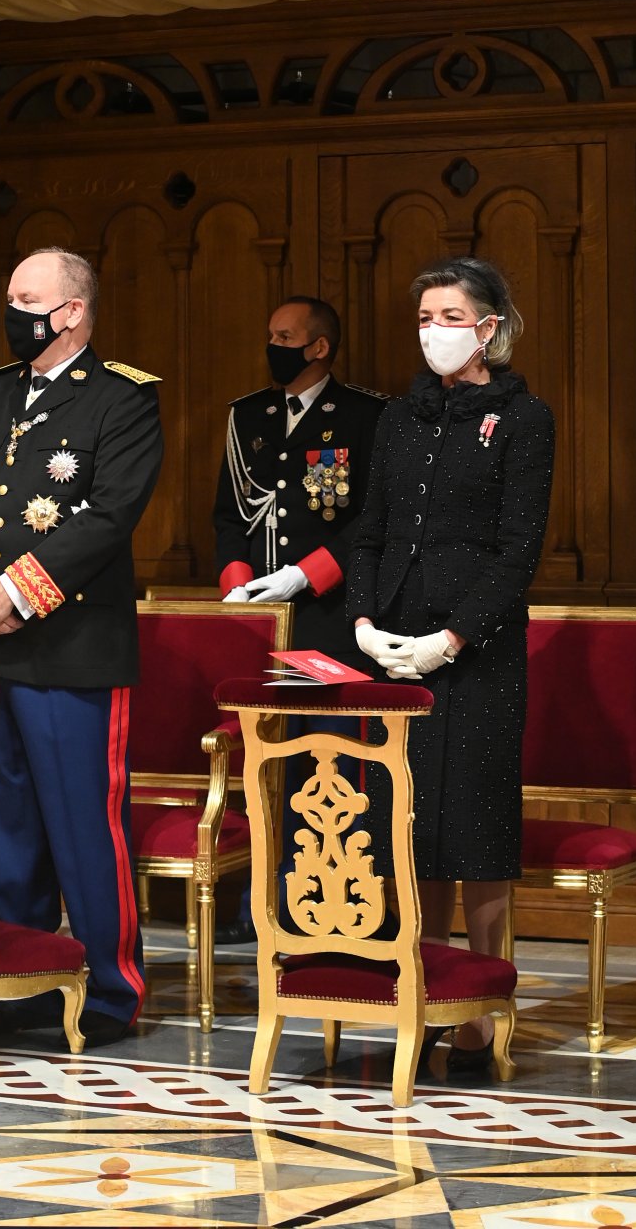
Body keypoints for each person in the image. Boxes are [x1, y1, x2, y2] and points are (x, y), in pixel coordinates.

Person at [0, 246, 162, 1049]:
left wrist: (15, 595)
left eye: (28, 299)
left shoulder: (121, 399)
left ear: (72, 311)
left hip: (72, 648)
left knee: (83, 826)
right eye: (11, 297)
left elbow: (110, 516)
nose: (14, 312)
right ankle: (21, 979)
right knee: (5, 829)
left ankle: (111, 991)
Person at [346, 257, 554, 1071]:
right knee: (415, 826)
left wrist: (454, 638)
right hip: (397, 646)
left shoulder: (525, 418)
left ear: (489, 327)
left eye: (450, 317)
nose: (433, 331)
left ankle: (482, 1009)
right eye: (425, 317)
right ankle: (427, 990)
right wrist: (365, 623)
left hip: (477, 653)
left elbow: (518, 552)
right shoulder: (400, 418)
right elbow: (370, 531)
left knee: (475, 827)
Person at [213, 295, 385, 941]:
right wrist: (237, 585)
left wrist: (304, 575)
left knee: (330, 768)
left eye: (285, 336)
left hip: (329, 622)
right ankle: (258, 906)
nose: (274, 345)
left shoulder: (366, 416)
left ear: (319, 347)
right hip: (261, 624)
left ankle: (331, 904)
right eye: (271, 334)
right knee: (264, 765)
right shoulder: (249, 416)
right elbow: (229, 515)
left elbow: (372, 521)